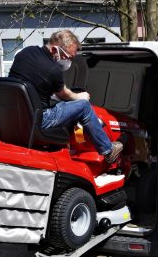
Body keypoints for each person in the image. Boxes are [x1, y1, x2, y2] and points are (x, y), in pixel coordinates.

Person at [8, 30, 123, 163]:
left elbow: (38, 85)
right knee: (84, 106)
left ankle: (72, 148)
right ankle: (108, 150)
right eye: (68, 57)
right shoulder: (53, 70)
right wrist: (81, 96)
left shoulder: (25, 53)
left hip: (16, 117)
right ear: (55, 50)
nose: (69, 61)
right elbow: (65, 95)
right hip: (40, 119)